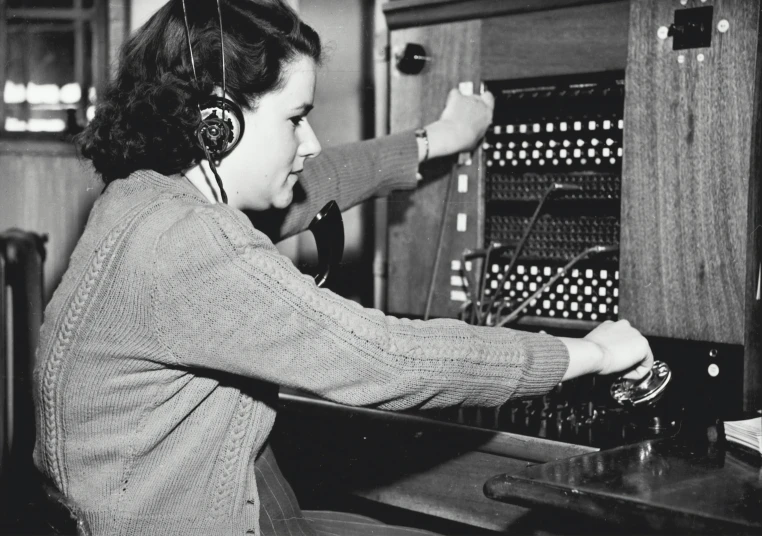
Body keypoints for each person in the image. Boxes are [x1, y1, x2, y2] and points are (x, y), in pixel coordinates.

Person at [32, 1, 653, 535]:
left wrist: (437, 138)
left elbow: (322, 180)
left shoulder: (144, 196)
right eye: (296, 118)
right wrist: (586, 354)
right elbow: (386, 358)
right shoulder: (185, 244)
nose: (310, 143)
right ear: (217, 122)